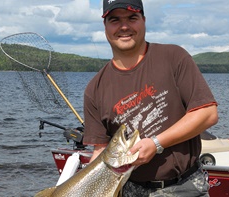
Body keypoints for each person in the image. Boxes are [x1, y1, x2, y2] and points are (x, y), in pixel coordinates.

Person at [82, 0, 218, 196]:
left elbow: (208, 113)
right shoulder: (94, 89)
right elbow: (99, 151)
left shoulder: (174, 57)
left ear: (144, 20)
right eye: (115, 20)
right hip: (131, 189)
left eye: (132, 18)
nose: (124, 26)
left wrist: (156, 143)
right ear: (105, 26)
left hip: (186, 187)